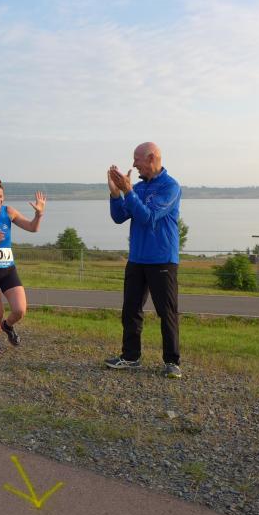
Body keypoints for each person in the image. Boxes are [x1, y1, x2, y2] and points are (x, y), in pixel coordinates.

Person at [104, 142, 183, 378]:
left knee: (166, 312)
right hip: (137, 258)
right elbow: (119, 216)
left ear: (151, 158)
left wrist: (128, 192)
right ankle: (131, 357)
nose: (134, 164)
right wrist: (115, 193)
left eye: (137, 159)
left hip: (162, 259)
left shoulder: (170, 186)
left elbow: (149, 217)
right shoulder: (138, 188)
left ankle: (172, 362)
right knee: (131, 310)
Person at [0, 177, 46, 354]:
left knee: (20, 310)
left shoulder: (9, 212)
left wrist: (39, 214)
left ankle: (7, 326)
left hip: (7, 270)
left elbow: (32, 228)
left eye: (1, 196)